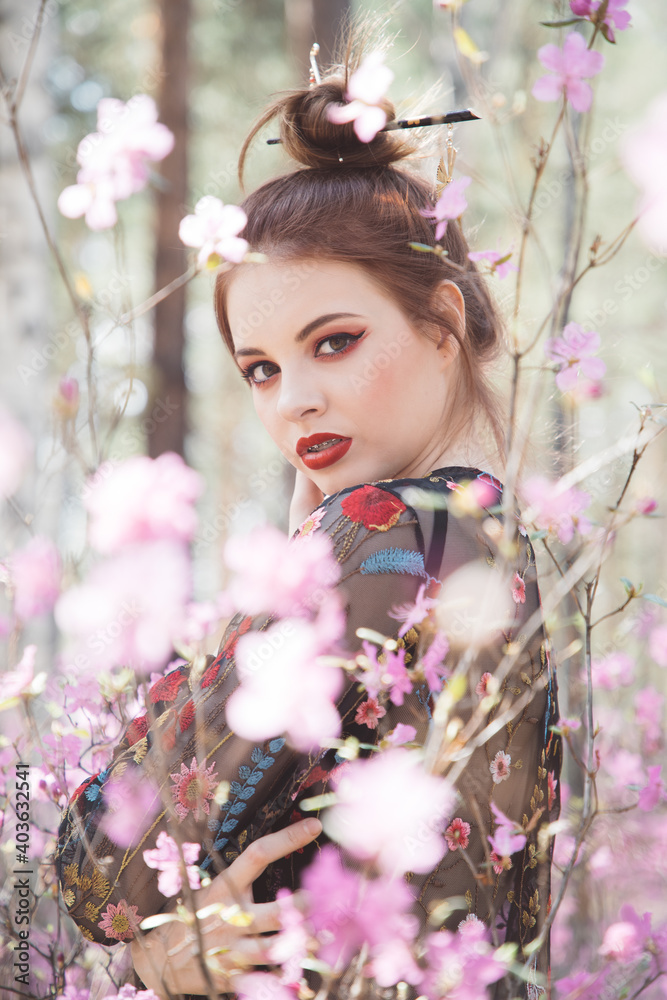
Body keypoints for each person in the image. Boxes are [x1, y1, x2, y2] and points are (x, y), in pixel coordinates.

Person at [56, 36, 561, 1000]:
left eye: (334, 342)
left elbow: (95, 864)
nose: (292, 400)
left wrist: (157, 943)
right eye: (262, 368)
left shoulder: (379, 529)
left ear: (442, 325)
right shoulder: (514, 549)